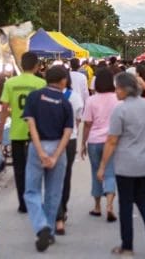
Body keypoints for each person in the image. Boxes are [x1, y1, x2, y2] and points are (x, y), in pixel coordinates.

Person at [98, 72, 145, 257]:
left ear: (124, 89)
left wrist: (103, 166)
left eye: (117, 88)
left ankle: (127, 246)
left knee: (126, 204)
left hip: (126, 165)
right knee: (143, 199)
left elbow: (112, 141)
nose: (116, 91)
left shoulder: (120, 109)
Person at [22, 66, 74, 252]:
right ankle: (49, 231)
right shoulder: (65, 102)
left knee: (31, 191)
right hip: (58, 148)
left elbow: (31, 126)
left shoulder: (34, 97)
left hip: (38, 147)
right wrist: (55, 155)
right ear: (63, 81)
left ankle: (41, 225)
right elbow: (67, 133)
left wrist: (41, 152)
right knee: (54, 192)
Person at [0, 51, 46, 213]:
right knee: (35, 169)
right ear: (36, 66)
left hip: (16, 132)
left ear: (21, 65)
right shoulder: (40, 84)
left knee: (19, 170)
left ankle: (22, 203)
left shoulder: (10, 83)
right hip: (36, 134)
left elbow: (4, 109)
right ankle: (35, 200)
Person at [81, 68, 119, 221]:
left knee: (95, 172)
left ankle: (97, 207)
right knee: (110, 172)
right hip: (112, 141)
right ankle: (110, 205)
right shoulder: (117, 99)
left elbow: (88, 124)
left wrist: (83, 143)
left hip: (94, 141)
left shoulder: (91, 100)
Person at [55, 73, 84, 235]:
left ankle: (56, 211)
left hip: (51, 140)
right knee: (66, 175)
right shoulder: (74, 97)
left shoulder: (43, 95)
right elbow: (79, 119)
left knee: (52, 176)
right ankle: (62, 209)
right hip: (70, 139)